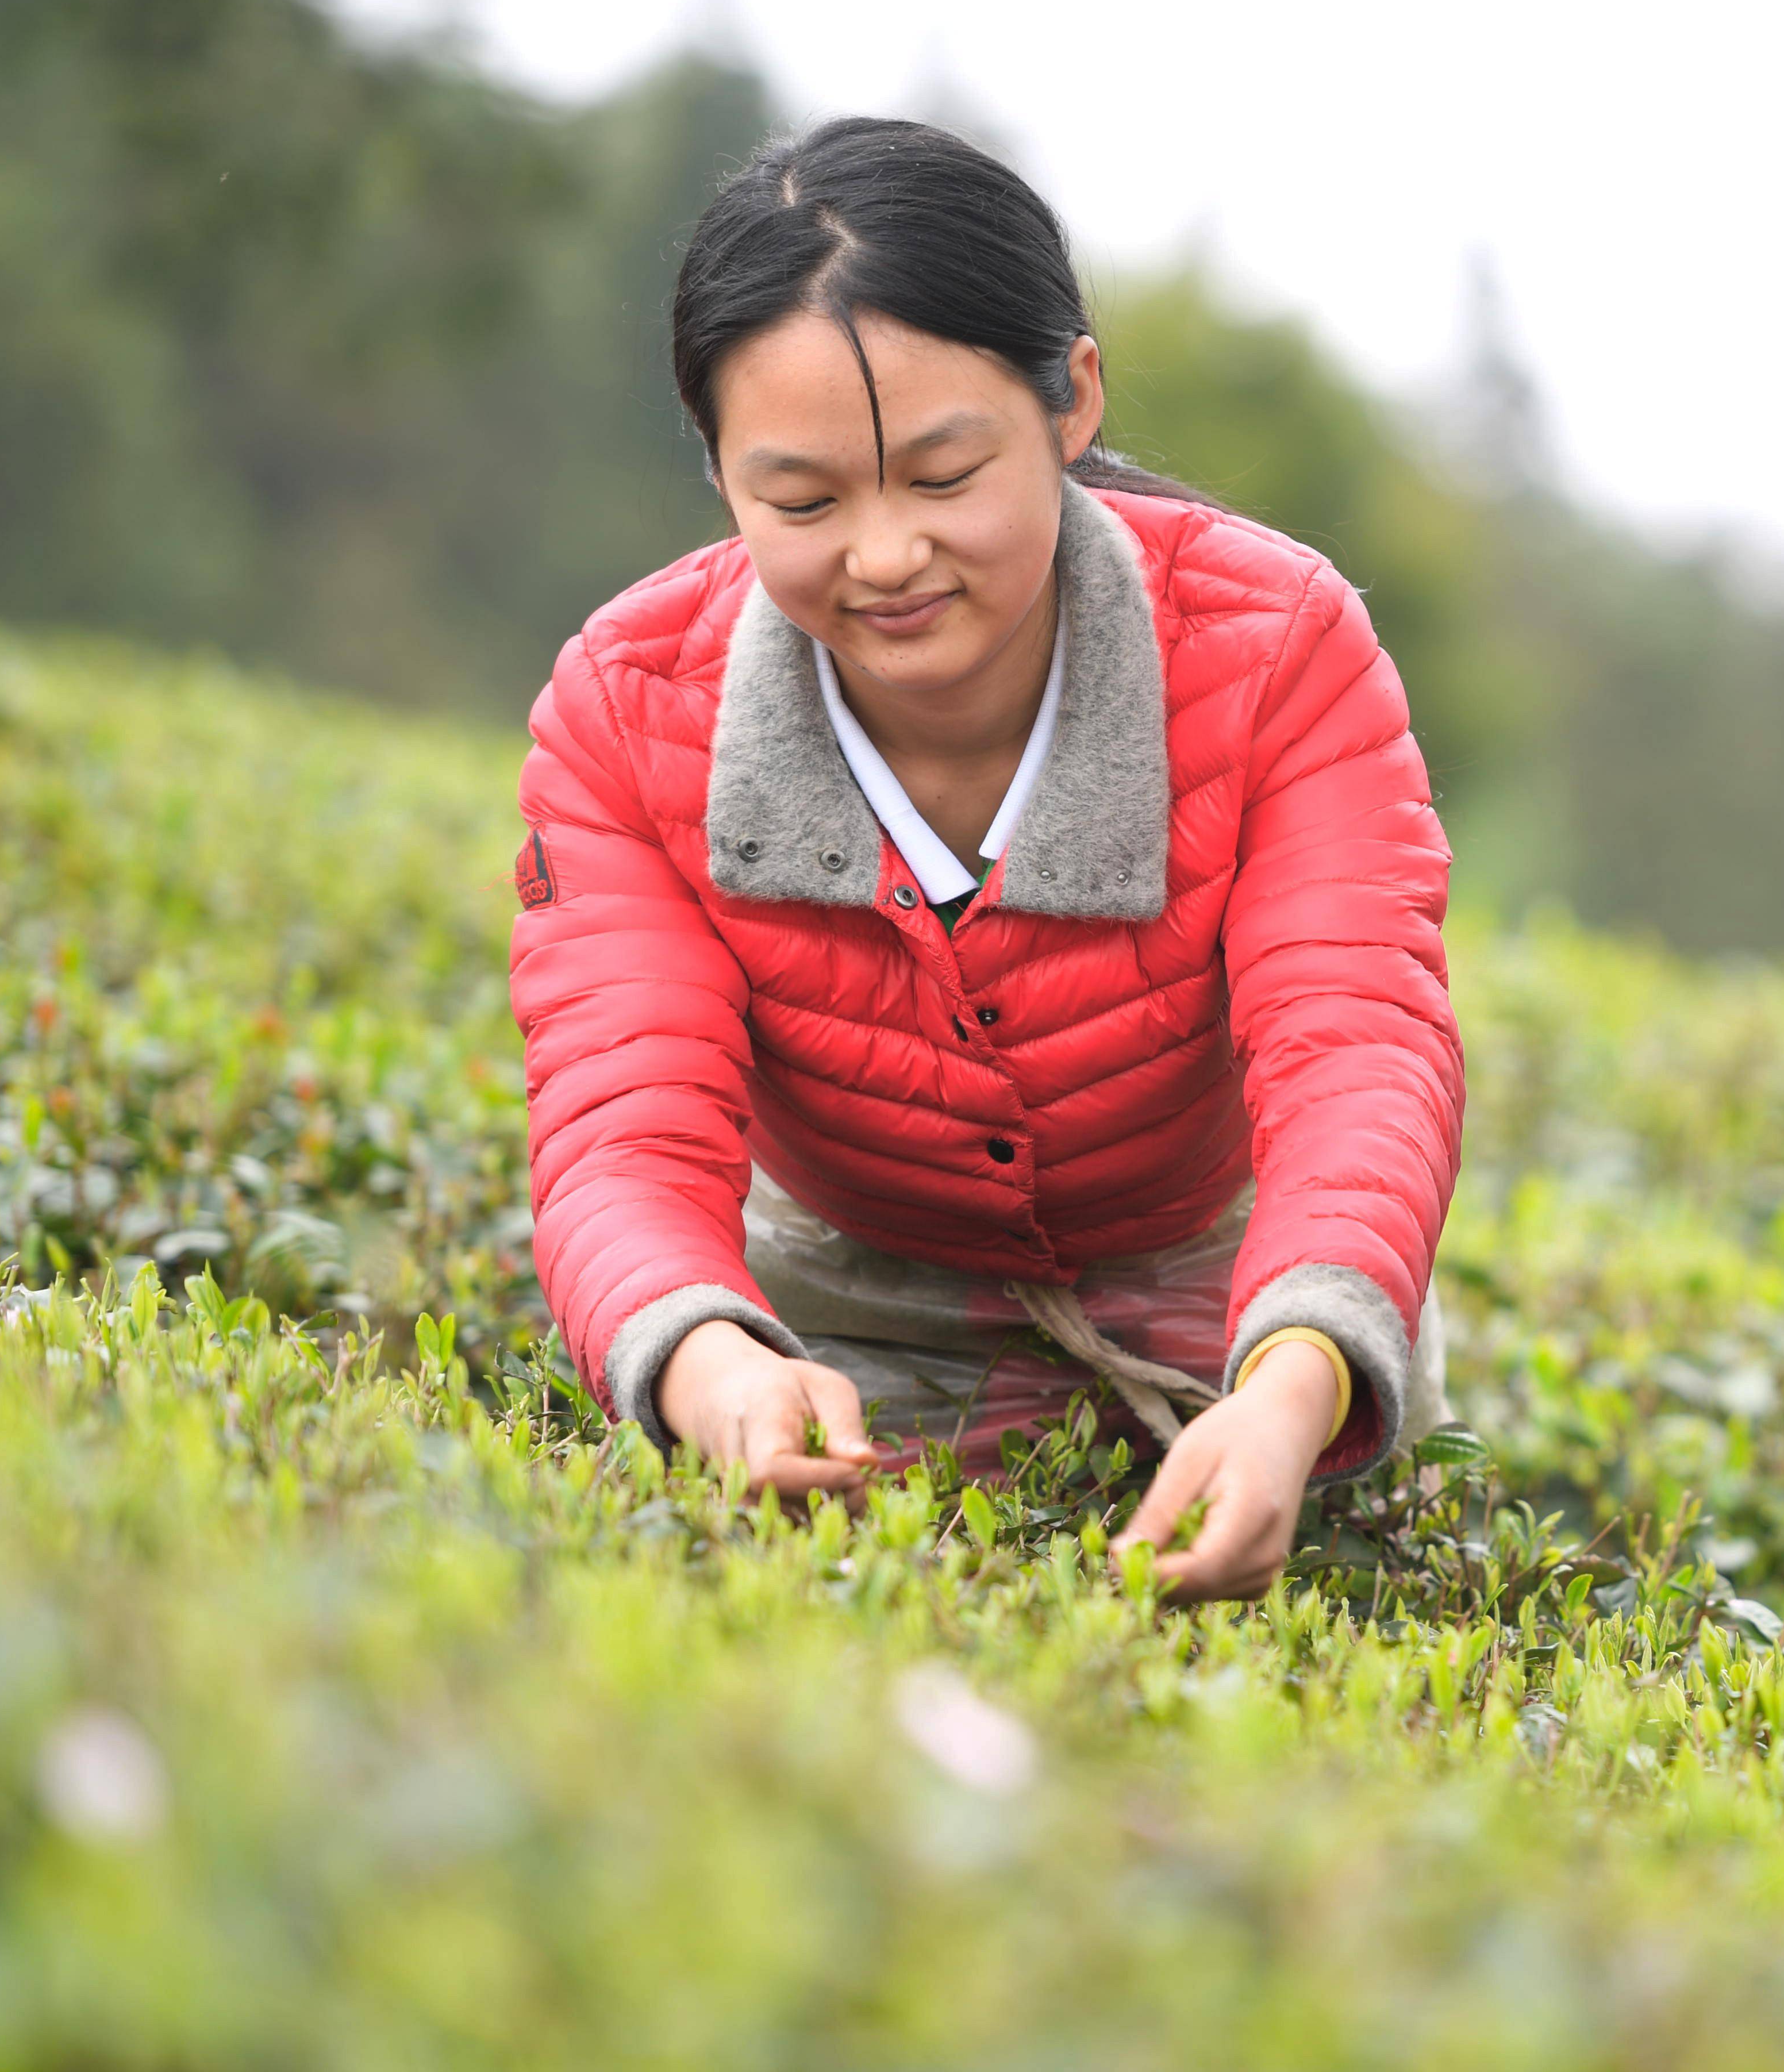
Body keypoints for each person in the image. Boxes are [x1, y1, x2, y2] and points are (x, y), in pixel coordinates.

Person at [507, 118, 1463, 1600]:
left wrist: (1293, 1383)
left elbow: (1359, 1046)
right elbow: (621, 1121)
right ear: (717, 469)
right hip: (845, 1305)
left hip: (1232, 1302)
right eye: (805, 502)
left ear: (1071, 399)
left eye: (946, 476)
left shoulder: (1280, 650)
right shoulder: (627, 711)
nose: (885, 556)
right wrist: (711, 1364)